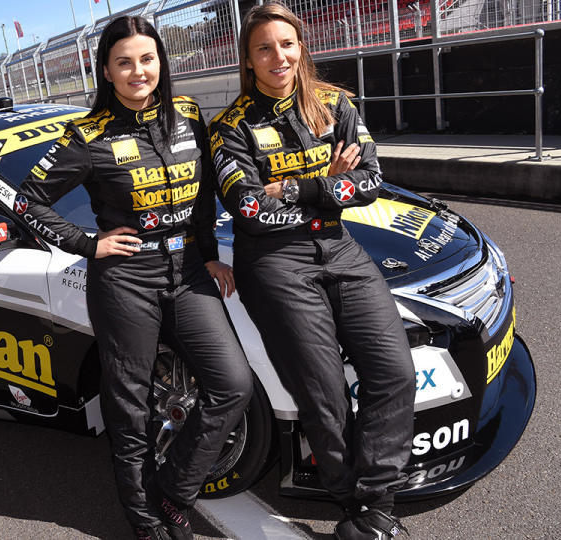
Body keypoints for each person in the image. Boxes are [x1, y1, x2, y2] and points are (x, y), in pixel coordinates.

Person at [16, 16, 252, 540]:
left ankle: (172, 492)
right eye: (124, 62)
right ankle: (144, 521)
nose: (137, 71)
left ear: (161, 62)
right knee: (131, 407)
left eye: (147, 59)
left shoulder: (188, 114)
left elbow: (207, 191)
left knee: (232, 385)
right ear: (106, 70)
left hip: (188, 271)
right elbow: (26, 199)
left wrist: (211, 253)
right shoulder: (88, 135)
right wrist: (86, 243)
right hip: (125, 280)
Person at [207, 3, 415, 539]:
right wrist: (329, 183)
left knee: (394, 372)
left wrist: (300, 188)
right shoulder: (229, 128)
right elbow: (251, 211)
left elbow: (371, 180)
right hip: (275, 264)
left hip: (339, 248)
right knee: (324, 394)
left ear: (302, 48)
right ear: (248, 60)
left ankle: (374, 500)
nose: (279, 56)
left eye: (288, 44)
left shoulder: (334, 103)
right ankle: (363, 510)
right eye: (265, 48)